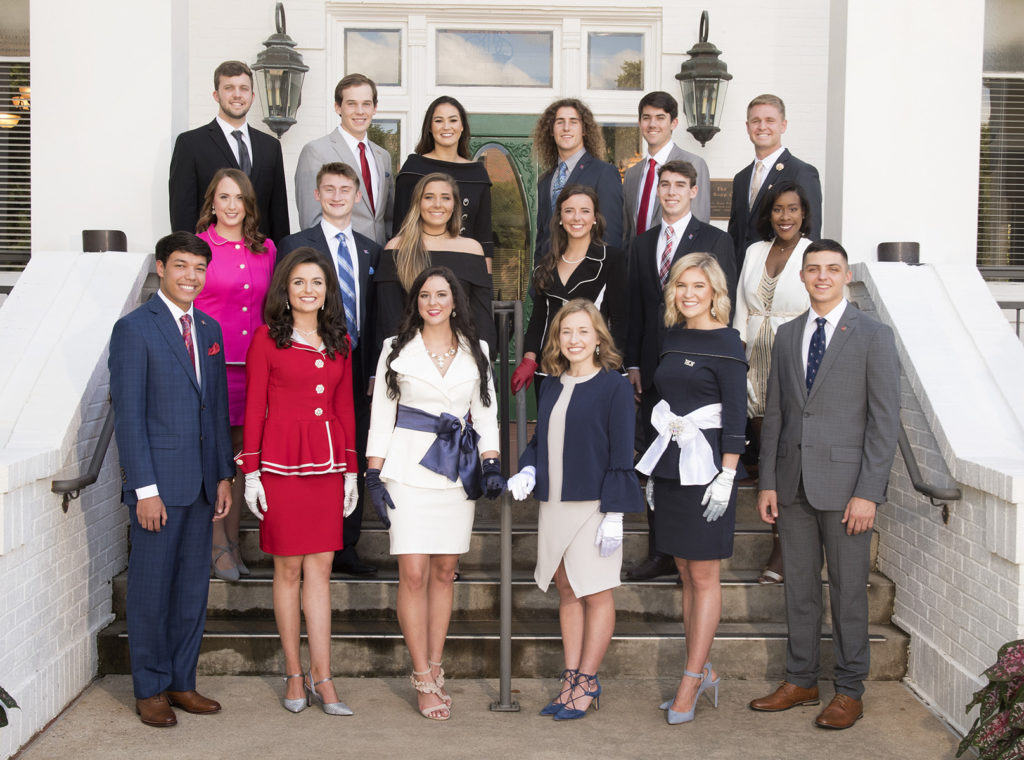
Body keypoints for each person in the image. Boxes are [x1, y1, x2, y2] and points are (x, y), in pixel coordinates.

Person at [749, 240, 900, 730]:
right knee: (799, 591)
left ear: (847, 275)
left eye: (831, 269)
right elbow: (776, 413)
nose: (821, 276)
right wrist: (768, 480)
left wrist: (868, 492)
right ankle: (801, 679)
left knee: (850, 593)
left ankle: (850, 689)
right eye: (813, 269)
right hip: (792, 485)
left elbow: (884, 423)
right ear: (803, 276)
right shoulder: (790, 334)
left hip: (846, 490)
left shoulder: (872, 335)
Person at [365, 266, 503, 720]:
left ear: (455, 300)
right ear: (416, 302)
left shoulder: (477, 350)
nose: (433, 302)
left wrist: (493, 462)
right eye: (425, 295)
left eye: (442, 294)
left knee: (445, 571)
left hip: (456, 472)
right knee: (414, 574)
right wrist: (372, 473)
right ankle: (421, 676)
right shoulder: (394, 349)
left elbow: (484, 414)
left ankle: (437, 664)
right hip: (406, 470)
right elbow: (382, 415)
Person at [108, 231, 235, 728]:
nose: (191, 276)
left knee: (189, 592)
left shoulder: (208, 327)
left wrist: (224, 474)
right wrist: (144, 489)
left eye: (199, 268)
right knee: (149, 591)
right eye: (181, 266)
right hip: (158, 489)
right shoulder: (135, 329)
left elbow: (217, 409)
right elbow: (130, 417)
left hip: (203, 484)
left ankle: (183, 681)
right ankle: (150, 688)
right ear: (161, 268)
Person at [235, 247, 359, 716]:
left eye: (318, 283)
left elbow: (345, 409)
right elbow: (252, 410)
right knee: (287, 571)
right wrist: (251, 472)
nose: (309, 290)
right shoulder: (267, 338)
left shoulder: (340, 339)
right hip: (280, 465)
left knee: (321, 572)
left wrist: (351, 471)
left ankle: (323, 677)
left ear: (328, 292)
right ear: (285, 290)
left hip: (326, 465)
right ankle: (293, 673)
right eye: (300, 282)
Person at [507, 299, 643, 720]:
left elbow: (622, 453)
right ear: (557, 339)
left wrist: (616, 513)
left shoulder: (615, 386)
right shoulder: (550, 384)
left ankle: (588, 681)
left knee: (596, 592)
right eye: (566, 332)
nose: (574, 340)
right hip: (554, 505)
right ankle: (570, 678)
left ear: (598, 337)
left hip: (595, 507)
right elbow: (537, 443)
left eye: (583, 331)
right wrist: (527, 470)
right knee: (566, 589)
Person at [634, 252, 747, 725]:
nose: (689, 294)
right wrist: (655, 472)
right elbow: (663, 404)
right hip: (673, 468)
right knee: (683, 571)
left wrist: (727, 475)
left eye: (698, 286)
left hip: (709, 473)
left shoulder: (727, 341)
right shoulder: (670, 337)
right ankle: (702, 668)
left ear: (715, 292)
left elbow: (736, 414)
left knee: (703, 576)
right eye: (682, 285)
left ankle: (691, 678)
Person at [625, 160, 735, 581]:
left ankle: (693, 550)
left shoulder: (715, 240)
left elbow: (723, 302)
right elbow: (636, 309)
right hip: (656, 371)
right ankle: (662, 550)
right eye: (664, 185)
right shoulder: (642, 243)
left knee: (697, 456)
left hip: (703, 372)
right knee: (659, 457)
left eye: (679, 185)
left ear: (693, 191)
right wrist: (633, 362)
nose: (670, 192)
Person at [277, 162, 381, 578]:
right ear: (316, 195)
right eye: (329, 189)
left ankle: (346, 545)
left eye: (345, 189)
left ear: (358, 197)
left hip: (356, 364)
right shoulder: (294, 245)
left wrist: (376, 367)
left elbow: (376, 315)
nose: (338, 196)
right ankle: (308, 536)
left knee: (351, 443)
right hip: (310, 359)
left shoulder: (372, 247)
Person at [192, 167, 275, 582]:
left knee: (244, 457)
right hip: (211, 365)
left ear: (248, 205)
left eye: (238, 198)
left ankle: (234, 539)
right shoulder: (199, 248)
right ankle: (215, 543)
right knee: (214, 455)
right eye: (223, 197)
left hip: (253, 367)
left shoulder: (266, 249)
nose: (231, 206)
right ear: (212, 202)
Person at [732, 180, 814, 585]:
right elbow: (740, 309)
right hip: (753, 369)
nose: (786, 217)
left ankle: (784, 550)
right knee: (767, 458)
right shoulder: (754, 252)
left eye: (793, 209)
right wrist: (735, 360)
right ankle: (783, 540)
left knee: (786, 460)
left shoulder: (812, 253)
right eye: (779, 209)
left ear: (804, 213)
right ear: (769, 214)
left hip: (792, 365)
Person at [510, 185, 627, 398]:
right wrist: (529, 359)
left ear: (595, 218)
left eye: (585, 211)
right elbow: (538, 321)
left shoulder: (612, 259)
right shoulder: (546, 265)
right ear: (560, 218)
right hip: (549, 367)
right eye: (569, 210)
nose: (576, 218)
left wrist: (613, 365)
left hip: (593, 367)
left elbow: (621, 321)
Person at [374, 173, 496, 355]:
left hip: (462, 357)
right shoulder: (396, 248)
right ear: (417, 203)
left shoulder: (472, 250)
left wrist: (483, 362)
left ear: (454, 205)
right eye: (429, 197)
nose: (437, 204)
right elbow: (389, 319)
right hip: (409, 358)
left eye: (445, 198)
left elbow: (482, 319)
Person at [169, 61, 290, 244]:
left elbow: (278, 212)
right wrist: (190, 258)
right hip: (211, 255)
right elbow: (182, 210)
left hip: (259, 254)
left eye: (243, 88)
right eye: (229, 88)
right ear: (216, 95)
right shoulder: (190, 144)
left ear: (252, 95)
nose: (237, 95)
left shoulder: (270, 146)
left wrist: (282, 261)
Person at [394, 96, 494, 271]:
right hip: (420, 265)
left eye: (453, 120)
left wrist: (485, 284)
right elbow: (400, 231)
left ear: (462, 126)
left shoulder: (477, 173)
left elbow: (484, 237)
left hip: (466, 265)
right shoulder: (413, 168)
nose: (446, 127)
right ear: (430, 128)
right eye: (439, 120)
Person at [727, 94, 822, 274]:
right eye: (756, 121)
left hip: (782, 276)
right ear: (747, 127)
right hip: (742, 278)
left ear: (783, 125)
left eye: (770, 120)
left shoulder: (801, 172)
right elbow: (736, 235)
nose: (762, 127)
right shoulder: (741, 178)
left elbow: (811, 234)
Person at [294, 73, 394, 245]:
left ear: (374, 108)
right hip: (339, 258)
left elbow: (387, 217)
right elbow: (311, 220)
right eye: (351, 104)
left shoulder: (382, 156)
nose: (360, 111)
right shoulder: (316, 151)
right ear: (338, 107)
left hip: (379, 257)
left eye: (366, 104)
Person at [532, 98, 623, 264]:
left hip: (588, 279)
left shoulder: (604, 173)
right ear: (551, 130)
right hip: (549, 280)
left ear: (584, 130)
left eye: (573, 122)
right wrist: (538, 277)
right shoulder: (545, 180)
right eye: (560, 122)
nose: (566, 127)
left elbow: (611, 237)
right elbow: (543, 236)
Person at [623, 91, 710, 245]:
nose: (652, 124)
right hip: (636, 264)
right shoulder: (632, 174)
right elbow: (628, 231)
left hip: (678, 264)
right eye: (646, 118)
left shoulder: (694, 164)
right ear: (639, 122)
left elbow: (699, 225)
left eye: (660, 118)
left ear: (673, 123)